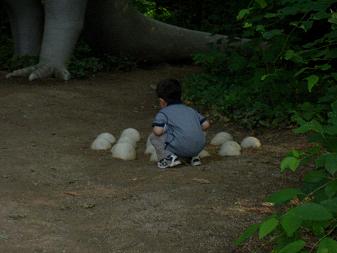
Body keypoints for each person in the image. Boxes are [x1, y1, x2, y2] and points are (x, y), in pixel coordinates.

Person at [150, 79, 210, 169]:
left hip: (181, 146)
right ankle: (194, 157)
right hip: (198, 147)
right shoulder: (190, 110)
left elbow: (158, 132)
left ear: (162, 101)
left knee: (154, 137)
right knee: (193, 131)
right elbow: (206, 125)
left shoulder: (163, 113)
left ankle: (168, 159)